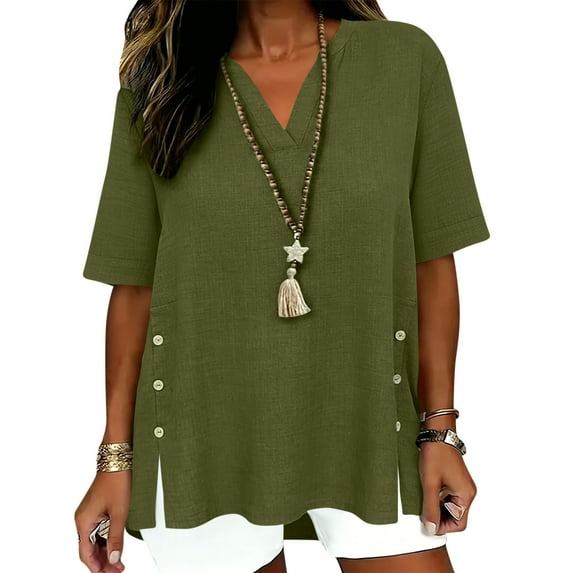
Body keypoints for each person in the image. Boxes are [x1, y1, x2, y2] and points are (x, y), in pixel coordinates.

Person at [74, 0, 490, 572]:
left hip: (372, 421)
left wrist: (439, 431)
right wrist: (114, 459)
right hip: (199, 435)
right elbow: (136, 286)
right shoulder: (161, 83)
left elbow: (431, 260)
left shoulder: (404, 60)